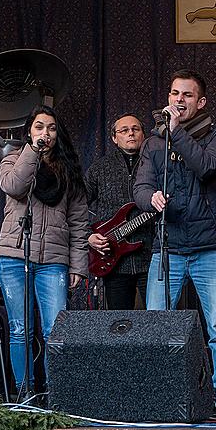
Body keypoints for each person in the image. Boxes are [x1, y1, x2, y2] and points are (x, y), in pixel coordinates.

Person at [133, 69, 216, 420]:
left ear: (201, 101)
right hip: (169, 246)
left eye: (187, 95)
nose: (179, 100)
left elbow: (207, 167)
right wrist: (151, 199)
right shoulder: (152, 143)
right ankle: (160, 393)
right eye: (175, 94)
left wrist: (176, 132)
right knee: (157, 324)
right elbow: (140, 188)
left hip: (210, 246)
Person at [0, 105, 89, 392]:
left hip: (54, 261)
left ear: (57, 134)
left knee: (54, 331)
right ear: (29, 132)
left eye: (50, 128)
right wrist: (32, 152)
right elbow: (14, 186)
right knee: (21, 330)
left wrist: (78, 265)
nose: (45, 133)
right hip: (14, 256)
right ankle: (25, 394)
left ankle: (56, 394)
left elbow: (78, 220)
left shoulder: (70, 171)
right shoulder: (13, 159)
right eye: (39, 127)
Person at [85, 113, 153, 309]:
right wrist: (88, 236)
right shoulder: (100, 168)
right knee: (119, 323)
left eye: (135, 129)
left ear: (143, 134)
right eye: (124, 130)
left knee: (158, 322)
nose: (130, 134)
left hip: (151, 258)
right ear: (115, 138)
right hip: (112, 259)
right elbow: (77, 207)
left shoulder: (156, 164)